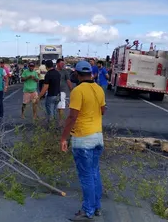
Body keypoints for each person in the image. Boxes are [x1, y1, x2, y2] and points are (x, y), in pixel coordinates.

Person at [60, 61, 106, 221]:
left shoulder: (77, 91)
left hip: (83, 139)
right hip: (98, 137)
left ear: (78, 74)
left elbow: (72, 116)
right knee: (94, 173)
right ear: (90, 74)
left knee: (86, 176)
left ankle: (88, 210)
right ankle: (96, 207)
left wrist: (64, 138)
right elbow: (103, 110)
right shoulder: (99, 89)